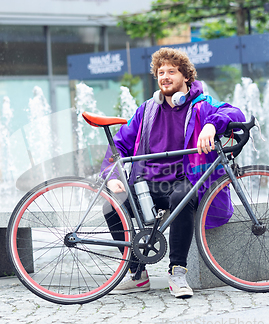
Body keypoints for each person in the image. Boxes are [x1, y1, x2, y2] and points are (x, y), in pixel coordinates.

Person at [101, 47, 245, 298]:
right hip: (147, 182)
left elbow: (235, 113)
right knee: (111, 205)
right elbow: (120, 145)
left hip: (185, 180)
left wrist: (212, 124)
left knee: (182, 197)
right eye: (161, 72)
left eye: (171, 71)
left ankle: (177, 272)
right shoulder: (146, 110)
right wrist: (112, 176)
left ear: (186, 77)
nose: (165, 76)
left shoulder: (203, 105)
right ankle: (137, 274)